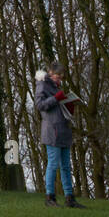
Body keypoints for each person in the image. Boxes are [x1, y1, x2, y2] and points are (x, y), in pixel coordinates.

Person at [35, 61, 85, 208]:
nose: (59, 79)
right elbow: (40, 105)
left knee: (66, 166)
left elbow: (58, 106)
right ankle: (50, 197)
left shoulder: (56, 87)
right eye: (58, 76)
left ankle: (70, 198)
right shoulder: (42, 85)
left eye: (61, 77)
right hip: (52, 130)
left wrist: (69, 104)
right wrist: (56, 98)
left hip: (63, 129)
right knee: (53, 164)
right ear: (50, 74)